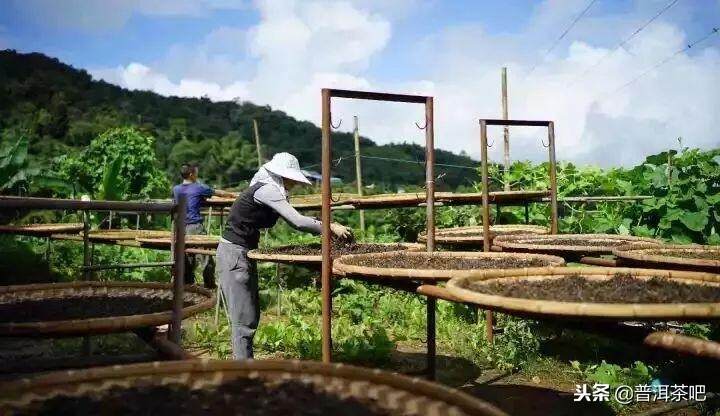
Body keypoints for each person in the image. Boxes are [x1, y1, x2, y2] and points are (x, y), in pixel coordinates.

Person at [217, 152, 352, 360]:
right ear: (281, 175)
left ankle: (245, 367)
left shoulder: (270, 190)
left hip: (241, 252)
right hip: (233, 254)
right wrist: (329, 226)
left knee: (250, 316)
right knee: (243, 320)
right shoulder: (267, 190)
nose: (295, 183)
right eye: (292, 178)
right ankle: (242, 373)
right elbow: (297, 221)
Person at [172, 164, 235, 288]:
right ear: (191, 175)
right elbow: (219, 193)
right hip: (195, 226)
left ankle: (187, 285)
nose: (197, 175)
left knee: (187, 256)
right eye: (196, 173)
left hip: (180, 228)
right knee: (205, 256)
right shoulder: (198, 187)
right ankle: (210, 285)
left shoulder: (176, 189)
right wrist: (233, 195)